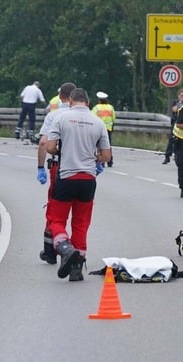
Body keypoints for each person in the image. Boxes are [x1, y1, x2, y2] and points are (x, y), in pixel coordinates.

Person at [41, 88, 111, 281]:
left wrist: (62, 153)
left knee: (56, 220)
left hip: (66, 176)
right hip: (88, 179)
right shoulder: (98, 122)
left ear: (70, 101)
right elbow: (106, 155)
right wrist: (91, 157)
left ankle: (65, 248)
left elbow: (49, 146)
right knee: (81, 224)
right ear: (87, 102)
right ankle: (77, 267)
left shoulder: (61, 119)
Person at [35, 82, 76, 265]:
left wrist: (40, 168)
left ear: (61, 97)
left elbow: (44, 143)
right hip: (83, 170)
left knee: (55, 210)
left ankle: (52, 250)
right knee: (80, 214)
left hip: (59, 168)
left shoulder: (54, 115)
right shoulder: (87, 116)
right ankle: (78, 251)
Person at [163, 89, 183, 164]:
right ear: (178, 96)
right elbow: (174, 110)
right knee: (171, 139)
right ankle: (167, 156)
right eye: (181, 96)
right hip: (175, 122)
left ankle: (178, 155)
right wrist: (180, 103)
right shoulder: (175, 102)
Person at [92, 91, 116, 166]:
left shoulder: (96, 108)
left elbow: (92, 118)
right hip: (108, 128)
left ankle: (102, 162)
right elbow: (114, 118)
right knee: (108, 145)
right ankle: (110, 161)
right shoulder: (110, 107)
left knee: (99, 145)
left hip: (98, 129)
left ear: (99, 100)